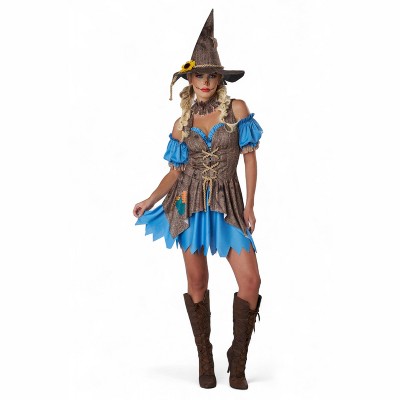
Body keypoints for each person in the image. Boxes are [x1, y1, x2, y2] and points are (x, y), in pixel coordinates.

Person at [133, 9, 264, 390]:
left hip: (228, 204)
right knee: (197, 280)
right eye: (199, 76)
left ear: (219, 79)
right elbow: (175, 172)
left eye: (211, 76)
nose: (205, 82)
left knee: (251, 280)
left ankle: (237, 360)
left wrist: (250, 205)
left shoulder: (236, 110)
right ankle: (205, 357)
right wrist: (149, 198)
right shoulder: (182, 124)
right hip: (187, 204)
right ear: (189, 80)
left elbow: (250, 158)